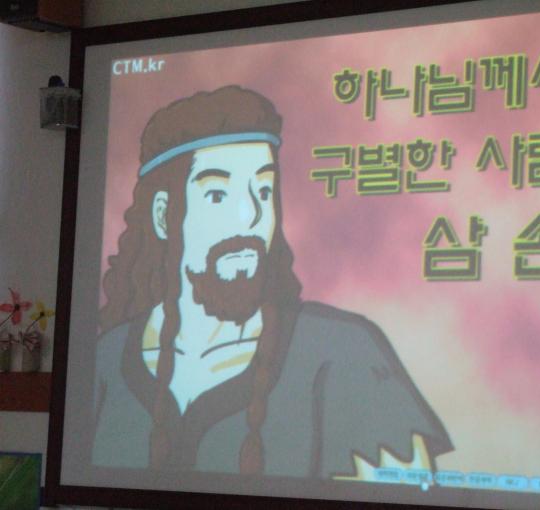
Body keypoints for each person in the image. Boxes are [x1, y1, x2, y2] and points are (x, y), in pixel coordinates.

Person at [92, 85, 453, 480]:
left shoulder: (341, 351)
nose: (250, 215)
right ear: (164, 216)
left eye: (263, 191)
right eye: (217, 195)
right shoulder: (107, 358)